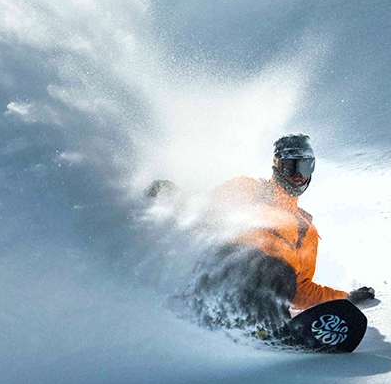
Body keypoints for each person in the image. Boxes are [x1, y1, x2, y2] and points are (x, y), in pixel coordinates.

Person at [156, 134, 374, 338]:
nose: (298, 175)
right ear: (277, 166)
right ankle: (230, 317)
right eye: (290, 167)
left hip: (273, 288)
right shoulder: (250, 189)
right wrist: (171, 197)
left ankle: (265, 329)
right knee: (257, 263)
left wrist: (345, 298)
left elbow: (300, 291)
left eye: (305, 166)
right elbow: (202, 211)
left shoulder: (306, 230)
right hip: (230, 268)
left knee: (280, 274)